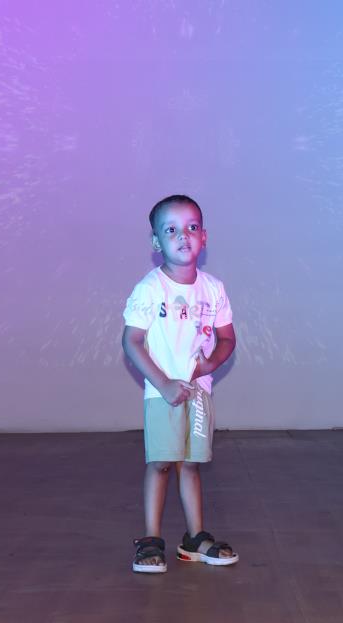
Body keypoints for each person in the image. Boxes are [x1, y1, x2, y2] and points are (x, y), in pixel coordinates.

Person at [122, 194, 239, 573]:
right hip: (163, 394)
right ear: (156, 242)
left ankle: (194, 538)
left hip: (198, 393)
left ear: (204, 236)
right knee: (160, 463)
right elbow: (131, 341)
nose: (182, 236)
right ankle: (150, 539)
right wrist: (164, 383)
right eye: (170, 230)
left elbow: (227, 339)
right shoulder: (150, 288)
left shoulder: (213, 288)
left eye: (191, 227)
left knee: (190, 464)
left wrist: (210, 364)